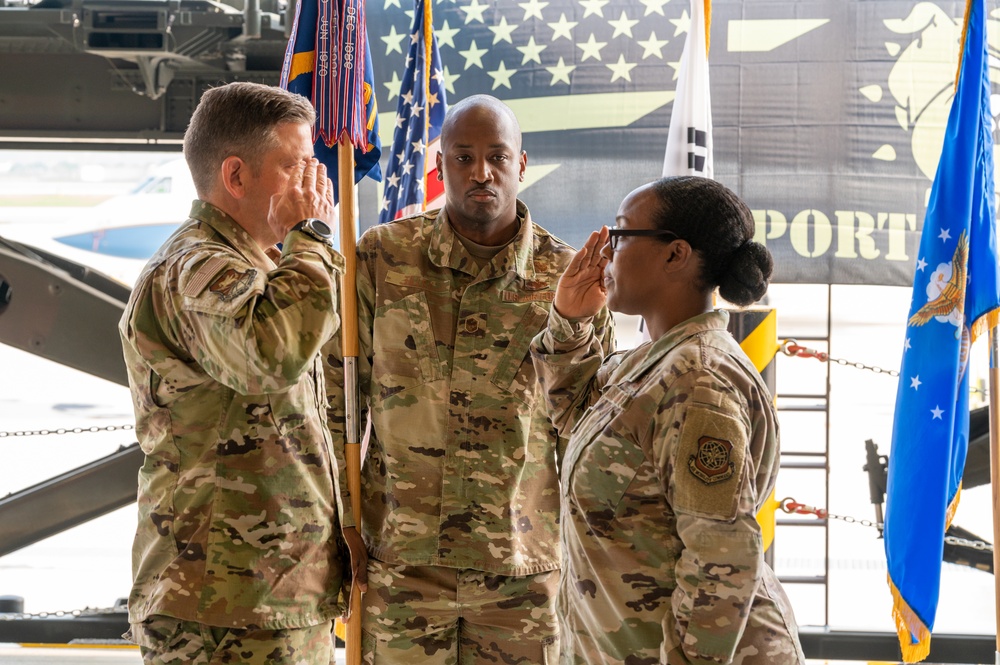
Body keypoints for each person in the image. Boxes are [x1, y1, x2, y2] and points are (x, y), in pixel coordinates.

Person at [339, 94, 615, 664]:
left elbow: (590, 421)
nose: (481, 172)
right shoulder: (383, 258)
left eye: (497, 156)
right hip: (401, 564)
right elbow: (335, 405)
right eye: (463, 157)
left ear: (521, 164)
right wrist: (339, 520)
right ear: (440, 167)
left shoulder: (568, 279)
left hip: (523, 571)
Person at [119, 81, 363, 664]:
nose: (317, 185)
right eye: (296, 166)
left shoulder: (263, 266)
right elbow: (270, 357)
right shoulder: (196, 268)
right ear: (236, 176)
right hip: (219, 610)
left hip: (271, 598)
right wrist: (314, 238)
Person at [530, 176, 805, 665]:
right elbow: (575, 418)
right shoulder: (653, 363)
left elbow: (721, 562)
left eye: (619, 235)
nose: (605, 253)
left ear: (675, 255)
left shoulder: (697, 381)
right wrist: (570, 321)